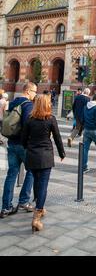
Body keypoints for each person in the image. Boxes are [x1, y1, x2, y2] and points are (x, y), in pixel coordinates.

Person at [21, 94, 65, 232]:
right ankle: (37, 215)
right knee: (43, 185)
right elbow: (57, 138)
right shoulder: (51, 119)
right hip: (45, 155)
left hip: (32, 155)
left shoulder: (29, 119)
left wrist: (30, 147)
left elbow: (23, 140)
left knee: (36, 181)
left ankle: (39, 206)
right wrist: (62, 153)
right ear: (47, 104)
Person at [0, 82, 37, 218]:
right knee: (32, 170)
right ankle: (23, 201)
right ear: (27, 91)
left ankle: (6, 207)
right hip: (23, 145)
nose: (35, 94)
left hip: (11, 143)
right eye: (34, 91)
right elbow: (28, 124)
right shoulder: (27, 104)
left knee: (11, 174)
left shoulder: (13, 102)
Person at [82, 93, 96, 177]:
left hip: (86, 129)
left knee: (85, 149)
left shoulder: (86, 105)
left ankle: (84, 167)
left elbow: (83, 117)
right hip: (94, 129)